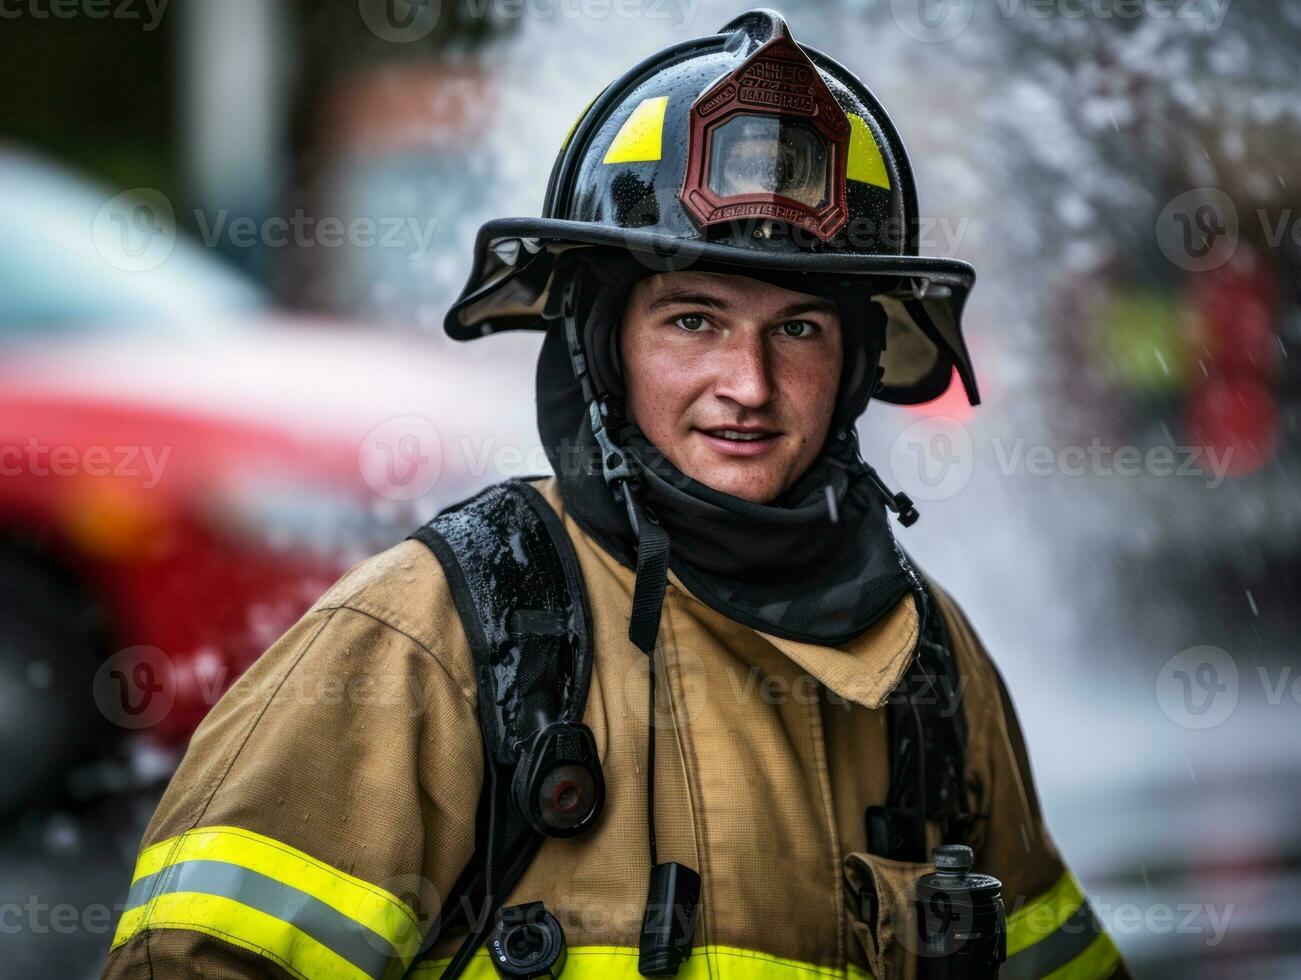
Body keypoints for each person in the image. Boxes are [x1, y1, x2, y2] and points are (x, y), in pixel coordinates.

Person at [104, 10, 1128, 980]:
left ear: (856, 361)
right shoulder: (439, 636)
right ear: (603, 345)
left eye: (800, 328)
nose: (749, 382)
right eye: (693, 319)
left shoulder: (930, 671)